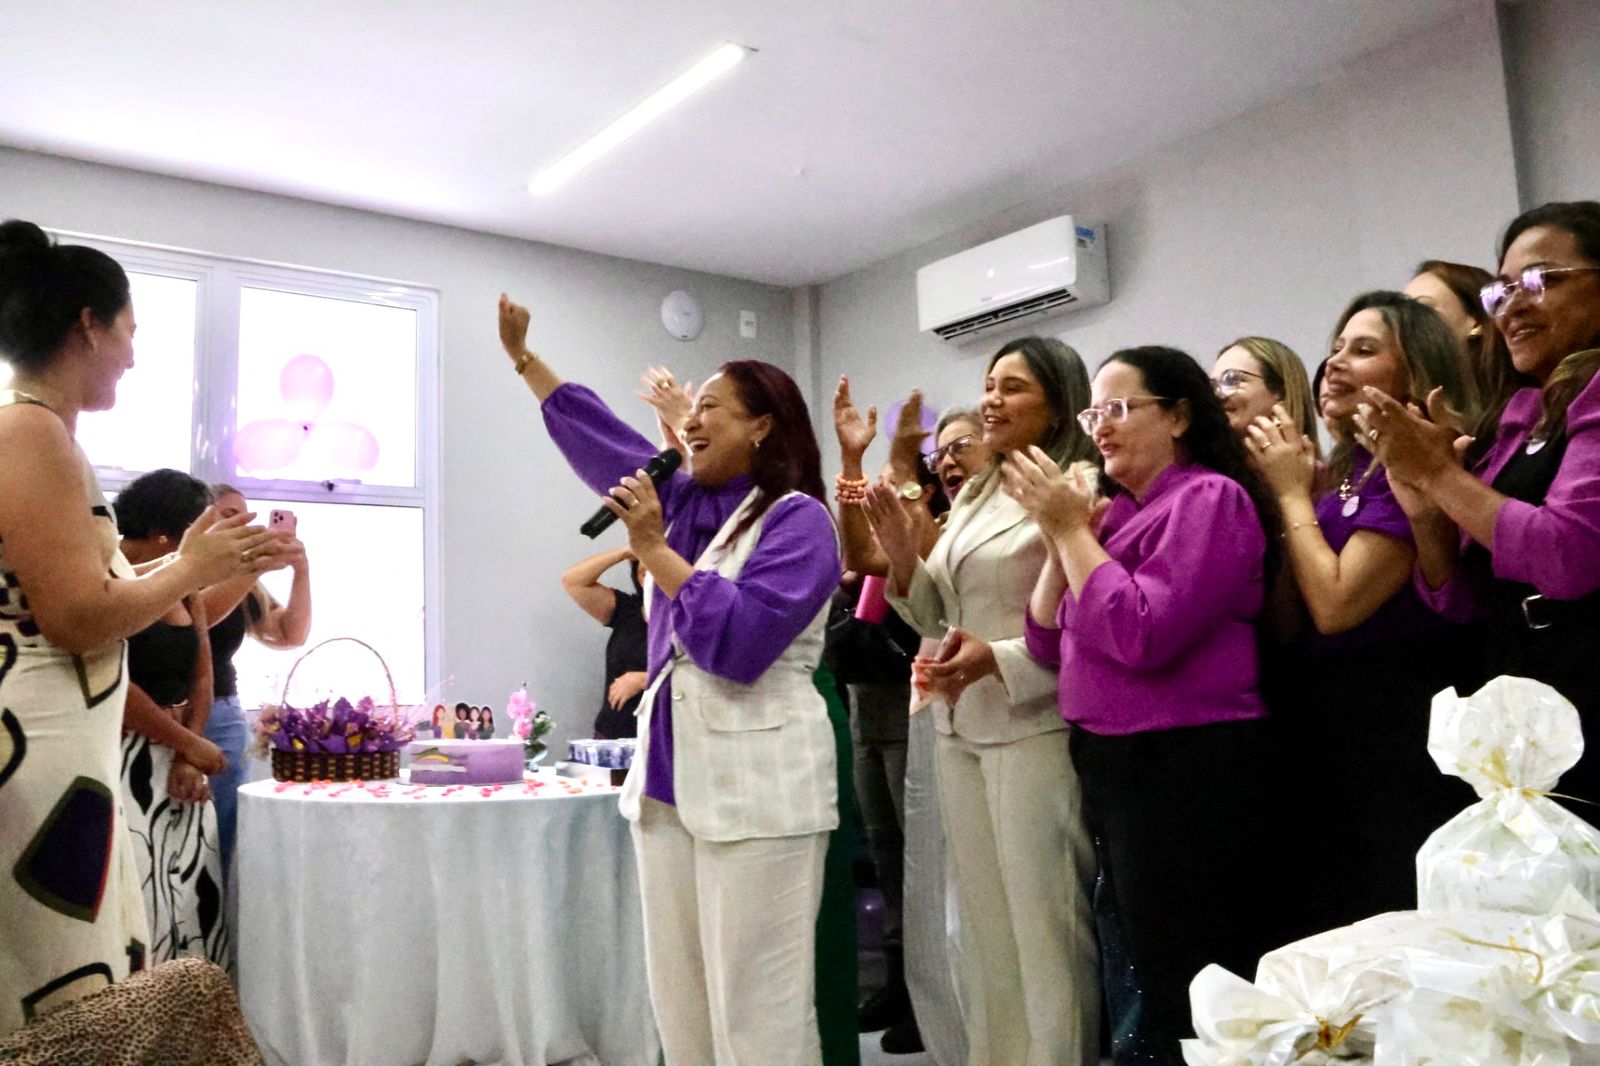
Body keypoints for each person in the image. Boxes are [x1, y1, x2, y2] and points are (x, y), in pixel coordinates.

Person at [499, 293, 841, 1066]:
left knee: (759, 1012)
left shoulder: (799, 521)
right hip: (666, 787)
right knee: (680, 1003)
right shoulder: (684, 501)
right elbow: (599, 439)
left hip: (759, 795)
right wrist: (525, 361)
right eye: (693, 407)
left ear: (763, 427)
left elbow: (739, 644)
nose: (692, 420)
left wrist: (653, 550)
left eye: (712, 407)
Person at [0, 219, 268, 1035]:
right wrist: (188, 570)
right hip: (39, 742)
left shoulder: (42, 433)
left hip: (64, 742)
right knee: (60, 988)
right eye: (129, 330)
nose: (132, 355)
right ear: (89, 324)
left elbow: (88, 594)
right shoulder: (30, 432)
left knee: (87, 976)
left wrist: (188, 562)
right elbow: (76, 620)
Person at [1010, 346, 1283, 1061]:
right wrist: (1062, 535)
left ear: (1180, 416)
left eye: (1120, 408)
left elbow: (1142, 633)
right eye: (1093, 412)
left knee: (1192, 967)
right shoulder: (1116, 512)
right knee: (1140, 961)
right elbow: (1043, 639)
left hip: (1187, 760)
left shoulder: (1210, 499)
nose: (1100, 426)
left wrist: (1071, 532)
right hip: (1114, 760)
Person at [862, 337, 1101, 1066]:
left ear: (1058, 403)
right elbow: (936, 616)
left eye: (1014, 387)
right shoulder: (976, 490)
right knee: (989, 932)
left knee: (1044, 931)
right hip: (962, 724)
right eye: (989, 384)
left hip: (1034, 723)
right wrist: (902, 553)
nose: (992, 399)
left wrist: (1000, 660)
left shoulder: (1078, 483)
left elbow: (1082, 619)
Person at [1245, 293, 1475, 932]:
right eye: (1336, 348)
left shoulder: (1416, 467)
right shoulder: (1344, 473)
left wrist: (1290, 495)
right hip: (1331, 716)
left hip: (1400, 717)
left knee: (1397, 907)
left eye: (1364, 350)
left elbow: (1337, 605)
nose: (1336, 364)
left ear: (1416, 371)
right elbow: (1291, 618)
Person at [1367, 200, 1600, 800]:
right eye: (1502, 290)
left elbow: (1566, 556)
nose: (1513, 306)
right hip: (1522, 696)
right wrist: (1426, 510)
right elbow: (1463, 598)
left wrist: (1438, 474)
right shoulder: (1520, 418)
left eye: (1540, 280)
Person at [114, 469, 237, 967]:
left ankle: (192, 1004)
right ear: (168, 534)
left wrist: (189, 751)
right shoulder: (107, 577)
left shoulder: (184, 586)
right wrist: (188, 744)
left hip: (181, 753)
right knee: (137, 894)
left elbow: (202, 673)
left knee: (189, 892)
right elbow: (114, 682)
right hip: (124, 756)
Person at [201, 483, 310, 876]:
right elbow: (201, 616)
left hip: (222, 713)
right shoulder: (179, 569)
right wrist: (258, 565)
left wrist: (301, 571)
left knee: (226, 833)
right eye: (230, 515)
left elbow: (289, 633)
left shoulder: (243, 579)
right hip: (170, 711)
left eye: (247, 517)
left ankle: (223, 915)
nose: (244, 525)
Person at [1404, 259, 1520, 433]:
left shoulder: (1520, 412)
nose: (1404, 324)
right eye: (1401, 313)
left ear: (1476, 321)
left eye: (1423, 309)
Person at [560, 546, 648, 739]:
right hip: (611, 735)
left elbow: (704, 674)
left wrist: (644, 680)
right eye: (643, 572)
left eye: (657, 570)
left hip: (662, 739)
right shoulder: (628, 610)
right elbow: (573, 581)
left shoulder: (689, 616)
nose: (650, 578)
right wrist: (626, 551)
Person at [1210, 336, 1319, 453]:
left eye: (1232, 379)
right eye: (1212, 386)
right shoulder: (1199, 463)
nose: (1216, 395)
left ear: (1281, 391)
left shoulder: (1318, 466)